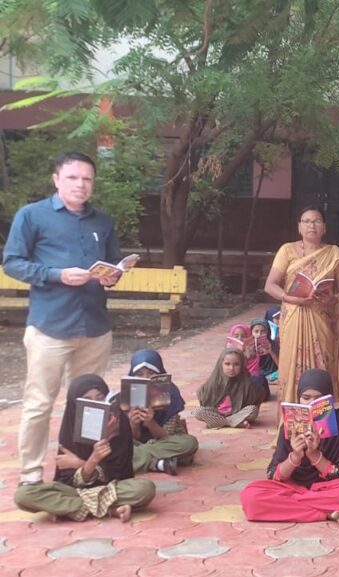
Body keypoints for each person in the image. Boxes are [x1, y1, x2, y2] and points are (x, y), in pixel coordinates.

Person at [2, 152, 132, 486]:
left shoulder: (101, 221)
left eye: (87, 179)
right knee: (38, 403)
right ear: (56, 179)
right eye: (73, 178)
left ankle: (82, 471)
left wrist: (112, 275)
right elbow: (13, 262)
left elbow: (113, 262)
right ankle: (31, 474)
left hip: (94, 326)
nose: (81, 185)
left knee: (90, 407)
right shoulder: (32, 216)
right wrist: (57, 274)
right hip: (51, 326)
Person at [14, 374, 156, 521]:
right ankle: (110, 509)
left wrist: (81, 464)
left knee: (144, 489)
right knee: (24, 495)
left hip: (113, 487)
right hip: (76, 491)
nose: (96, 404)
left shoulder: (120, 423)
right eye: (87, 400)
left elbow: (120, 473)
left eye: (100, 398)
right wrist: (94, 459)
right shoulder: (70, 425)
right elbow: (68, 480)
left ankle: (72, 509)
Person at [240, 369, 339, 524]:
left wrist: (314, 456)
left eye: (318, 399)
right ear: (299, 398)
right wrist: (295, 457)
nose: (311, 403)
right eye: (306, 398)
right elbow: (273, 474)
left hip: (327, 488)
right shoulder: (289, 424)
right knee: (250, 496)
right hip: (293, 487)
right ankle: (327, 513)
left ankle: (292, 507)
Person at [263, 207, 339, 404]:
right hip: (293, 317)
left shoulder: (334, 254)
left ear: (324, 228)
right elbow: (270, 285)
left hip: (323, 318)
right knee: (291, 371)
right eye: (306, 221)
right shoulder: (287, 250)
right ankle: (290, 424)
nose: (311, 225)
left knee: (322, 367)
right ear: (299, 227)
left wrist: (335, 298)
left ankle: (324, 425)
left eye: (316, 221)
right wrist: (289, 297)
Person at [126, 349, 199, 474]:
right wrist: (134, 423)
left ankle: (137, 458)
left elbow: (166, 436)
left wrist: (150, 422)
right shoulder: (126, 394)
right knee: (117, 447)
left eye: (151, 373)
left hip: (163, 441)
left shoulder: (171, 394)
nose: (146, 378)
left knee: (190, 443)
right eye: (139, 373)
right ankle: (158, 463)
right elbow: (130, 437)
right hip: (138, 444)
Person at [194, 349, 268, 429]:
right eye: (227, 364)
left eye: (236, 364)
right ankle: (234, 423)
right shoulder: (213, 382)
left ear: (242, 365)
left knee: (253, 410)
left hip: (238, 413)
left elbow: (260, 395)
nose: (231, 368)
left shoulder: (247, 382)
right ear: (221, 364)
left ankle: (221, 422)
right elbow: (202, 395)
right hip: (217, 413)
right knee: (199, 412)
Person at [249, 319, 280, 385]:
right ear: (251, 332)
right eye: (256, 331)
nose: (259, 334)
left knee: (282, 373)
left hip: (272, 372)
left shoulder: (272, 343)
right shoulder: (249, 344)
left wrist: (270, 351)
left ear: (268, 332)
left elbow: (280, 365)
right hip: (256, 371)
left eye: (263, 332)